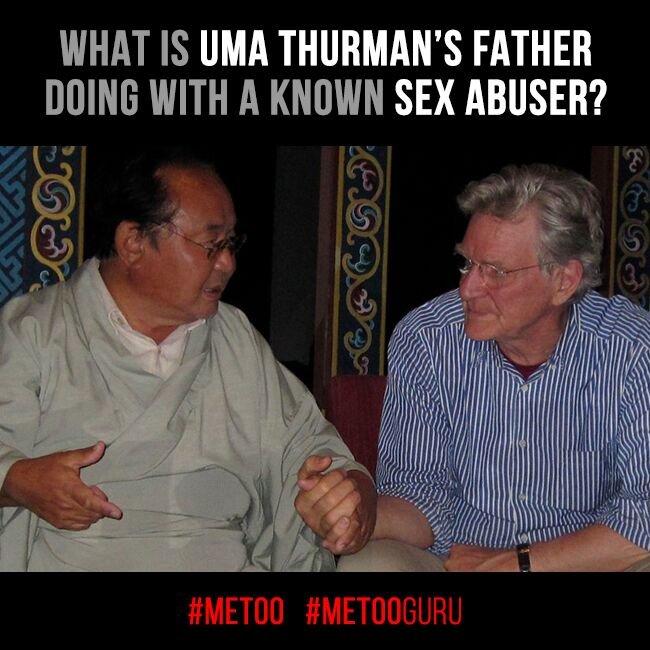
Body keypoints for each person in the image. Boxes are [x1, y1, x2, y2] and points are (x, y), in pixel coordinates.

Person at [0, 147, 375, 571]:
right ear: (133, 242)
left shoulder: (234, 339)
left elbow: (306, 446)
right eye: (211, 245)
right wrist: (15, 481)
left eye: (231, 243)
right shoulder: (34, 332)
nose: (228, 263)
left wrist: (349, 494)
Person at [339, 163, 650, 572]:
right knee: (371, 562)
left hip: (582, 562)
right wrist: (354, 514)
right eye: (467, 264)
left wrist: (519, 564)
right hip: (456, 559)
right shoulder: (426, 338)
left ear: (564, 281)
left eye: (496, 272)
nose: (467, 288)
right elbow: (418, 497)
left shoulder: (631, 348)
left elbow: (643, 514)